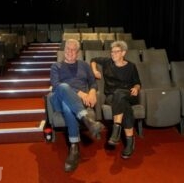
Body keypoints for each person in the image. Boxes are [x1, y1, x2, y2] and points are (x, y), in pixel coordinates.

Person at [50, 39, 104, 172]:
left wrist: (91, 92)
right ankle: (88, 121)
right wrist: (80, 93)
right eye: (68, 48)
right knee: (63, 86)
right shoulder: (56, 66)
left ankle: (74, 147)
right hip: (59, 99)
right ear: (64, 50)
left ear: (78, 52)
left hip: (76, 104)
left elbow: (93, 83)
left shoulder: (84, 65)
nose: (70, 52)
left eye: (73, 49)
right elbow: (55, 86)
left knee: (69, 107)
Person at [90, 40, 141, 159]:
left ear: (123, 53)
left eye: (116, 52)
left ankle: (116, 129)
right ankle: (130, 142)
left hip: (128, 94)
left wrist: (136, 88)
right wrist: (95, 70)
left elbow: (138, 83)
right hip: (111, 97)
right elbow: (93, 60)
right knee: (125, 107)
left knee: (120, 94)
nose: (113, 54)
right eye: (112, 52)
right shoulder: (107, 62)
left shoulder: (131, 66)